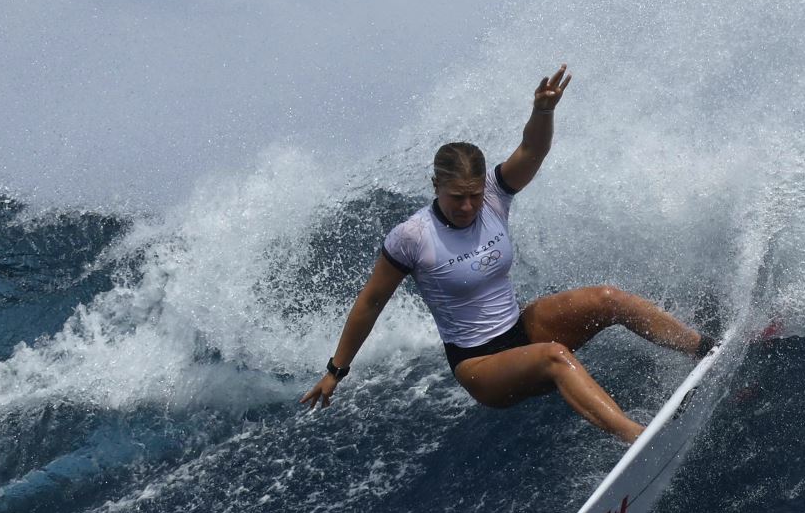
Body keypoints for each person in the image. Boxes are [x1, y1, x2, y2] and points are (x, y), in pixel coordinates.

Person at [298, 64, 710, 443]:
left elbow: (532, 151)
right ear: (435, 186)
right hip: (478, 365)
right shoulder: (412, 236)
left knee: (608, 298)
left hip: (520, 328)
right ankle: (637, 437)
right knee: (554, 357)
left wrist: (543, 111)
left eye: (474, 196)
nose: (467, 206)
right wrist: (336, 371)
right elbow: (370, 303)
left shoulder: (495, 197)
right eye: (457, 197)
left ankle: (703, 349)